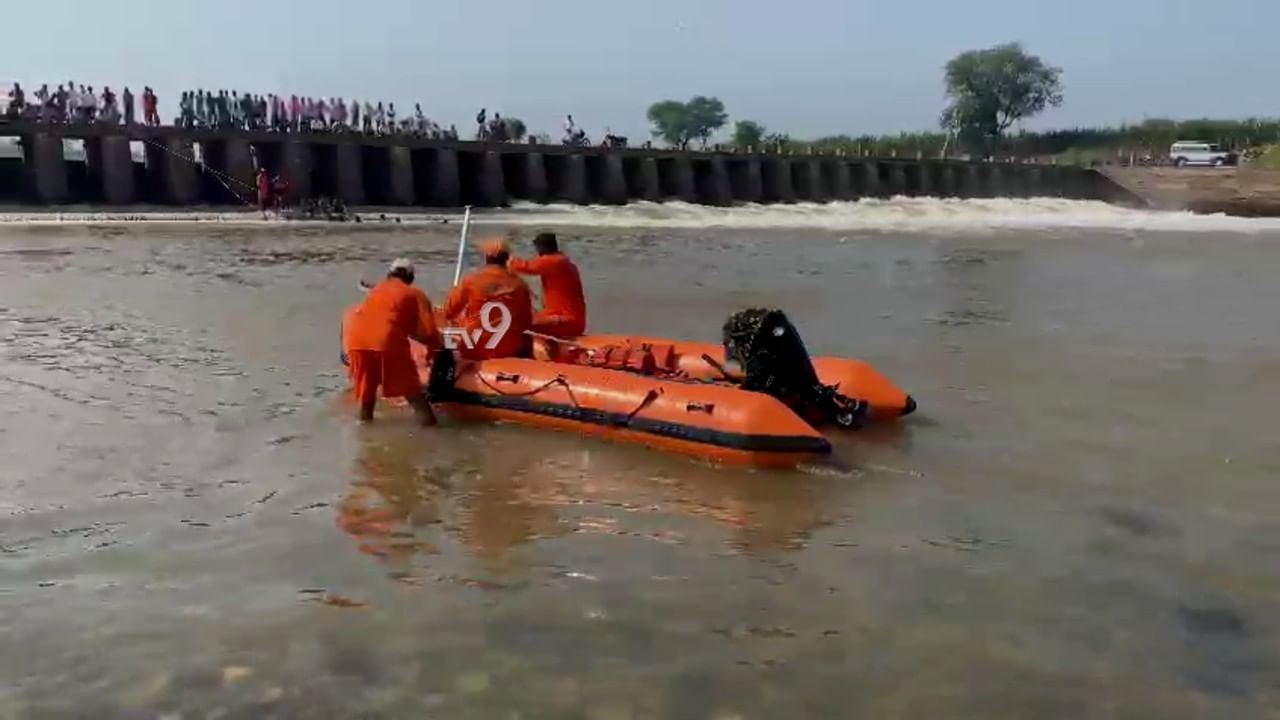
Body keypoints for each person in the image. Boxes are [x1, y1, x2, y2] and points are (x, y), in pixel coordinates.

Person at [343, 258, 440, 425]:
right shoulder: (415, 294)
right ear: (410, 278)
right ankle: (432, 435)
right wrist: (437, 351)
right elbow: (430, 332)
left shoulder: (375, 290)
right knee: (415, 395)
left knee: (367, 395)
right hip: (386, 341)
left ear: (389, 275)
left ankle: (365, 432)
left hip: (355, 341)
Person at [443, 239, 533, 360]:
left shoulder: (471, 280)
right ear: (507, 259)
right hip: (507, 349)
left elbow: (449, 311)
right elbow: (526, 322)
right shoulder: (520, 284)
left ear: (487, 258)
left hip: (474, 345)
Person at [508, 232, 586, 338]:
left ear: (541, 247)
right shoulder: (562, 261)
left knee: (516, 323)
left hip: (567, 321)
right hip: (565, 318)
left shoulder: (553, 261)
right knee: (524, 317)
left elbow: (526, 267)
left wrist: (504, 257)